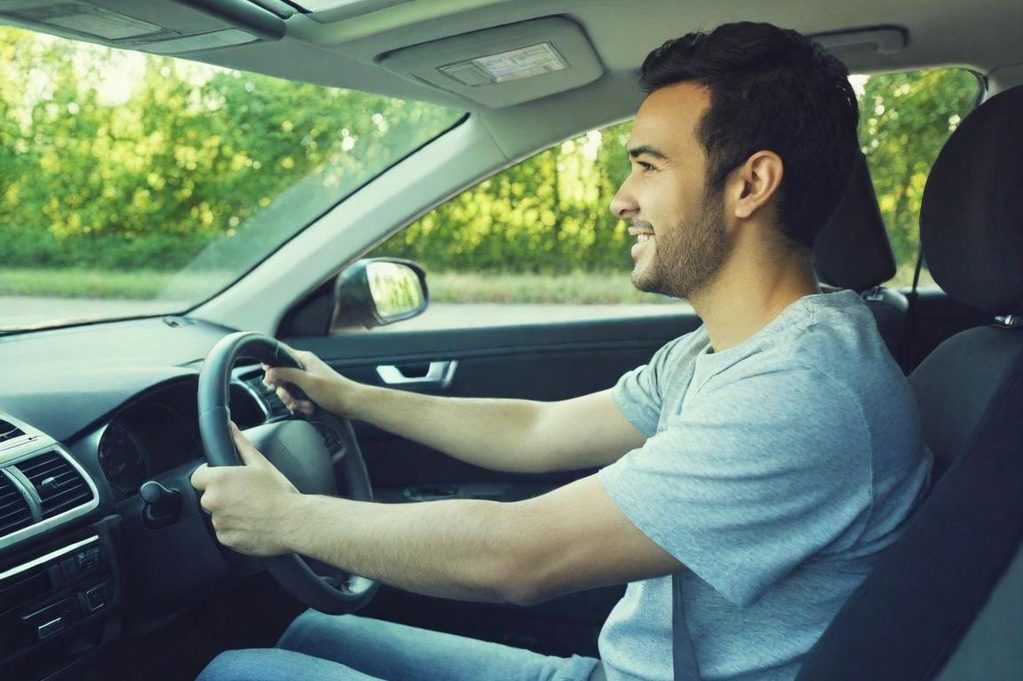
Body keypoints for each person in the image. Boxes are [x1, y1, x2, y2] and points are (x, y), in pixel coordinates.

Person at [192, 21, 932, 681]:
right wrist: (352, 397)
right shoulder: (722, 351)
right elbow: (536, 431)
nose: (620, 196)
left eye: (647, 165)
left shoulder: (801, 390)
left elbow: (518, 557)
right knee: (305, 631)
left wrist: (286, 519)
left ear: (750, 184)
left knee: (238, 669)